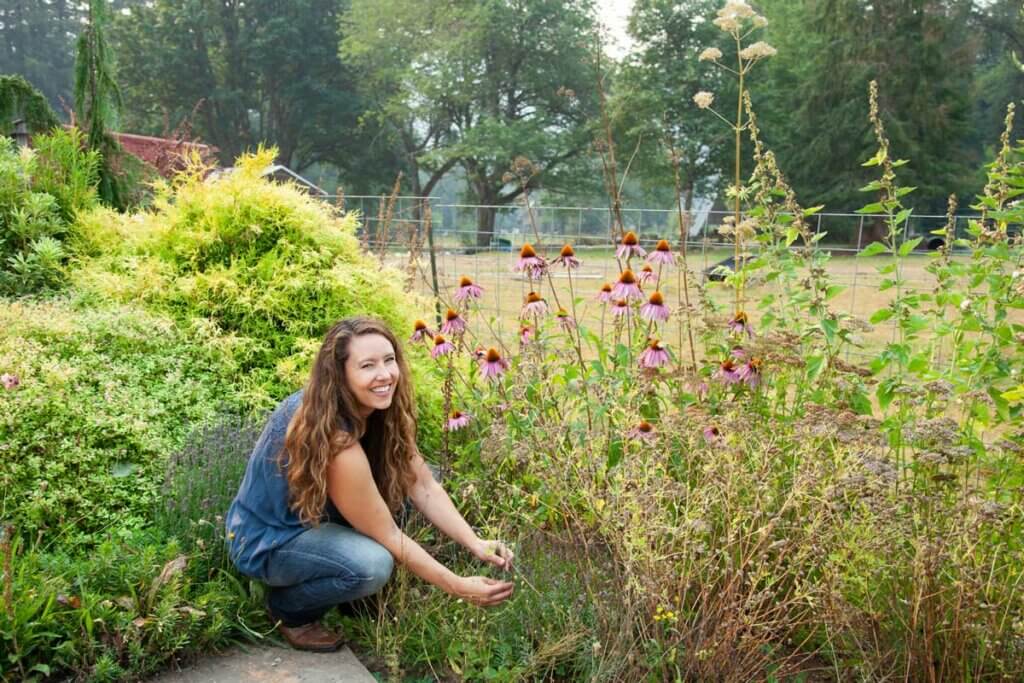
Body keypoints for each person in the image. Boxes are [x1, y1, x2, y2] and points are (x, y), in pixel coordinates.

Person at [225, 317, 514, 652]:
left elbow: (423, 486)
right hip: (270, 539)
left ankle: (351, 597)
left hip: (317, 518)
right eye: (367, 366)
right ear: (340, 373)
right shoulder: (333, 432)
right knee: (373, 565)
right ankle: (290, 609)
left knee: (413, 482)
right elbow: (388, 535)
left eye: (389, 360)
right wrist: (458, 586)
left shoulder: (378, 409)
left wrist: (475, 542)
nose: (385, 375)